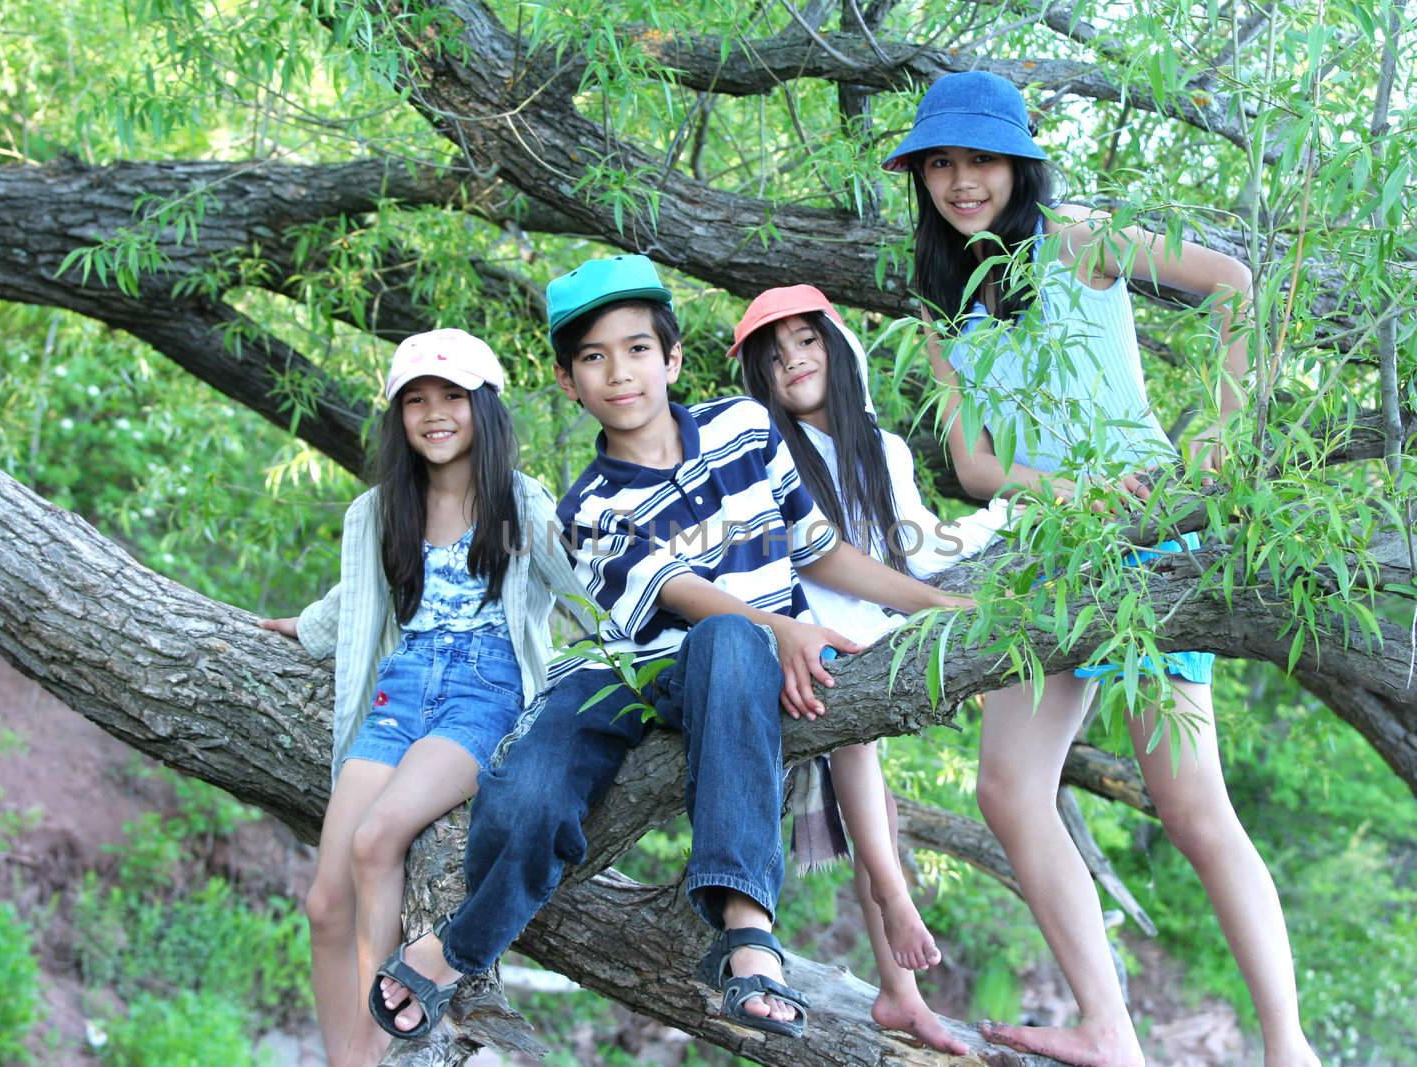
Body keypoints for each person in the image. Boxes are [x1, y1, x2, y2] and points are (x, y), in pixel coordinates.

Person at [371, 254, 971, 1042]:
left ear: (673, 358)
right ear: (567, 380)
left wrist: (937, 602)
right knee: (528, 787)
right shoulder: (588, 505)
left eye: (637, 348)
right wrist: (782, 625)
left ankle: (747, 924)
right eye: (593, 357)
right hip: (631, 671)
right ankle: (458, 945)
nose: (619, 372)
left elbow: (819, 552)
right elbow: (674, 592)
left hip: (731, 670)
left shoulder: (747, 429)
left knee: (730, 639)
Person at [885, 71, 1319, 1067]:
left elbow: (1236, 284)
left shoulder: (1077, 236)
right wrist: (1067, 494)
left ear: (1018, 165)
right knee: (1006, 787)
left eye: (980, 160)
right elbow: (975, 465)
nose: (961, 182)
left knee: (1192, 803)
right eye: (941, 164)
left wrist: (1214, 440)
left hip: (1149, 541)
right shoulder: (936, 301)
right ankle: (1108, 1024)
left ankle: (1288, 1045)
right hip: (1045, 552)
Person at [259, 329, 583, 1064]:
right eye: (416, 399)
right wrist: (301, 627)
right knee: (323, 902)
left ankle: (383, 1044)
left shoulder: (515, 503)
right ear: (399, 415)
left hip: (484, 691)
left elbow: (587, 591)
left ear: (483, 408)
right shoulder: (381, 509)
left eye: (452, 397)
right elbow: (355, 596)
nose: (435, 413)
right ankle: (350, 1058)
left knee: (379, 840)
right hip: (402, 690)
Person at [732, 283, 1013, 1055]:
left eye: (807, 341)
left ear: (837, 348)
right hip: (798, 635)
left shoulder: (880, 449)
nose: (793, 360)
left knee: (875, 808)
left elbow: (918, 544)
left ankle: (899, 992)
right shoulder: (765, 448)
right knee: (856, 744)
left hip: (867, 633)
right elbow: (801, 558)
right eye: (774, 353)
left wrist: (1008, 521)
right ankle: (892, 898)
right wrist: (922, 605)